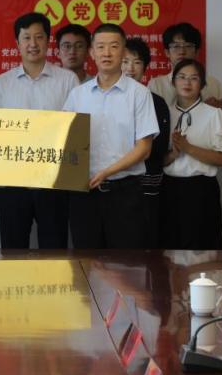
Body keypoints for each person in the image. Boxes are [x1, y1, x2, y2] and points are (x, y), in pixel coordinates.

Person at [0, 12, 79, 249]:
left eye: (39, 37)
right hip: (12, 182)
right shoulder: (2, 83)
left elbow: (76, 130)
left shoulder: (68, 80)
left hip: (54, 181)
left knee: (54, 249)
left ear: (48, 41)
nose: (33, 44)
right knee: (13, 248)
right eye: (26, 38)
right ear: (17, 43)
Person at [62, 24, 158, 248]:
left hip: (125, 193)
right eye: (101, 47)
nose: (107, 53)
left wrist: (107, 172)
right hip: (84, 193)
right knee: (86, 261)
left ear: (123, 52)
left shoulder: (139, 94)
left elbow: (144, 148)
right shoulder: (77, 95)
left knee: (126, 262)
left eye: (114, 46)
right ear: (92, 52)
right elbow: (64, 140)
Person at [160, 59, 222, 250]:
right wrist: (174, 154)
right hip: (169, 189)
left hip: (201, 190)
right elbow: (157, 160)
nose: (187, 82)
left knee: (202, 249)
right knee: (170, 247)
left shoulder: (214, 114)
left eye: (194, 78)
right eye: (182, 77)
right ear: (173, 81)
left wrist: (188, 148)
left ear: (202, 84)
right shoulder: (164, 114)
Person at [122, 37, 171, 247]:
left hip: (147, 187)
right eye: (125, 61)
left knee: (146, 244)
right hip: (114, 186)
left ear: (145, 67)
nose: (130, 68)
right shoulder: (106, 98)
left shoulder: (157, 102)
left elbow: (158, 148)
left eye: (137, 62)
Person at [148, 22, 222, 108]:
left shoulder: (213, 84)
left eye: (188, 46)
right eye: (176, 46)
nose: (182, 52)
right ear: (167, 52)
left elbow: (221, 114)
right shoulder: (156, 85)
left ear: (197, 52)